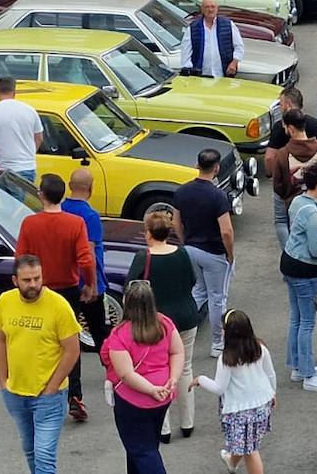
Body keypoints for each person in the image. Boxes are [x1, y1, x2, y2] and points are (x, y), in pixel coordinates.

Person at [16, 173, 97, 422]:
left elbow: (20, 258)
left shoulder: (30, 223)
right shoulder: (75, 223)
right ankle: (75, 395)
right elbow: (85, 259)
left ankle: (40, 393)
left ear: (41, 194)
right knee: (69, 344)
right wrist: (90, 284)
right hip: (68, 290)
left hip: (39, 290)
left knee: (40, 342)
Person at [0, 255, 81, 474]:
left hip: (48, 397)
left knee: (44, 456)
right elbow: (0, 340)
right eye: (27, 280)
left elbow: (72, 349)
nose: (33, 284)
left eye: (37, 278)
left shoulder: (58, 306)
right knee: (30, 450)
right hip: (15, 392)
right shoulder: (5, 301)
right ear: (15, 280)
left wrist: (52, 387)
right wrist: (3, 381)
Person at [125, 209, 198, 443]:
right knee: (184, 367)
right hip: (186, 316)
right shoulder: (183, 254)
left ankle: (163, 427)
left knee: (159, 369)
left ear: (148, 233)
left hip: (157, 322)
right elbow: (192, 281)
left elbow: (131, 289)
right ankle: (187, 422)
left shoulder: (143, 257)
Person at [101, 281, 182, 472]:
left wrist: (151, 389)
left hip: (133, 401)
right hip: (164, 396)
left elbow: (126, 374)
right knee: (146, 445)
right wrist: (173, 378)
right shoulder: (164, 323)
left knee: (142, 450)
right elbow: (177, 352)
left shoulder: (119, 335)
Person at [192, 311, 277, 474]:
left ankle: (233, 461)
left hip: (239, 410)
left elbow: (219, 388)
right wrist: (272, 393)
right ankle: (231, 462)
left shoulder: (227, 358)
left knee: (250, 450)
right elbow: (270, 373)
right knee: (244, 444)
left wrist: (200, 380)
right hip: (261, 405)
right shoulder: (260, 348)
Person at [171, 149, 237, 358]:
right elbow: (226, 230)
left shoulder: (182, 191)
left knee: (198, 292)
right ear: (217, 168)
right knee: (217, 298)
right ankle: (218, 343)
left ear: (196, 165)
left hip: (191, 249)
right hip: (214, 253)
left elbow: (175, 222)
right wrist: (230, 254)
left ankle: (173, 333)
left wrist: (185, 242)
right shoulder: (218, 196)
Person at [282, 163, 317, 394]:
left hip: (290, 262)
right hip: (305, 268)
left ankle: (297, 365)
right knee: (307, 322)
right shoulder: (313, 212)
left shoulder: (297, 201)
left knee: (296, 317)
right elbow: (316, 249)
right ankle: (307, 373)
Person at [60, 169, 109, 356]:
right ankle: (113, 374)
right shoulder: (90, 216)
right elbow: (88, 253)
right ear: (91, 188)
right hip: (88, 281)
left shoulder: (61, 209)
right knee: (100, 333)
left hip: (67, 280)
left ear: (70, 186)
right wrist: (94, 284)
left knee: (67, 334)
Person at [268, 108, 317, 246]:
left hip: (292, 206)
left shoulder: (283, 154)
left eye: (285, 127)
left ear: (291, 128)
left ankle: (289, 252)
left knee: (281, 222)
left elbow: (278, 186)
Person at [0, 76, 43, 181]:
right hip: (28, 167)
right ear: (14, 92)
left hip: (4, 169)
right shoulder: (30, 110)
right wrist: (29, 154)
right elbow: (39, 138)